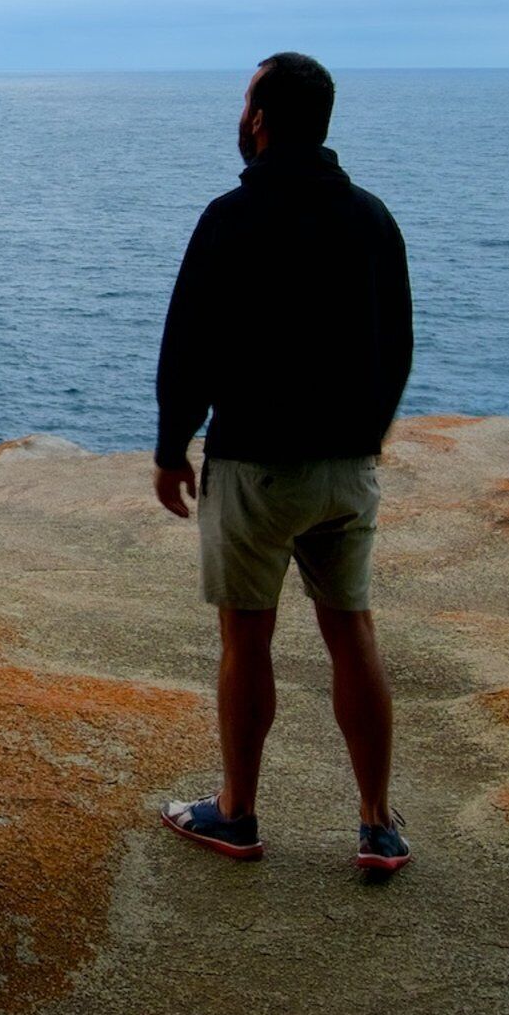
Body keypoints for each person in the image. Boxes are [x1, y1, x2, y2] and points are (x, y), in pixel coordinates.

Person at [151, 52, 416, 879]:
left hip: (256, 464)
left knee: (246, 638)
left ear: (261, 120)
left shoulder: (231, 217)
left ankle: (236, 813)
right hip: (346, 468)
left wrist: (170, 448)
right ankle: (377, 826)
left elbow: (187, 345)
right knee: (352, 631)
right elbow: (399, 343)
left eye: (246, 103)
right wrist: (365, 433)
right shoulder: (372, 218)